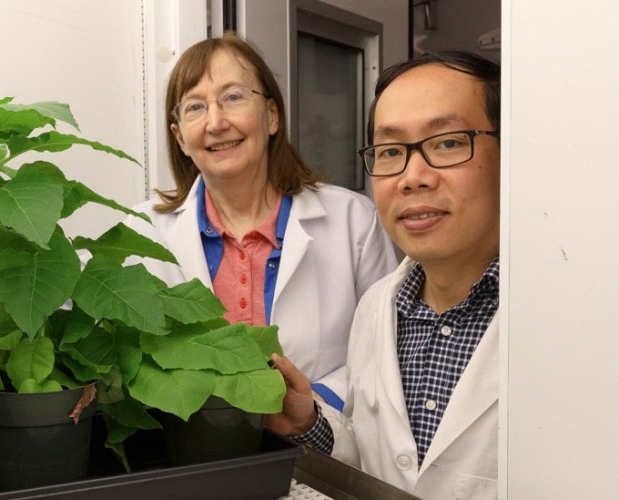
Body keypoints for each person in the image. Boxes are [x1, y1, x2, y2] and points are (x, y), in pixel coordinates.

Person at [264, 51, 501, 499]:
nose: (413, 177)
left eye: (448, 142)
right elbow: (377, 462)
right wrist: (309, 423)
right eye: (391, 151)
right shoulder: (378, 306)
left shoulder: (574, 319)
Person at [124, 32, 398, 408]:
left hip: (322, 451)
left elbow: (385, 347)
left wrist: (310, 407)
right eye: (195, 108)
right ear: (181, 139)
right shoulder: (140, 234)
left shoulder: (354, 221)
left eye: (233, 97)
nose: (216, 122)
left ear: (272, 115)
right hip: (190, 450)